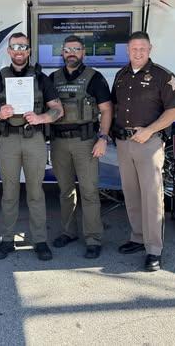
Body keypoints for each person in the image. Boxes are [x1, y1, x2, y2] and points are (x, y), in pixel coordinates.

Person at [0, 32, 63, 261]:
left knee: (36, 193)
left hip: (34, 139)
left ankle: (40, 240)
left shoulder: (41, 79)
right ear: (9, 51)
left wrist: (42, 118)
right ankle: (7, 240)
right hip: (7, 140)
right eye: (14, 47)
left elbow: (58, 110)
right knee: (9, 193)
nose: (19, 51)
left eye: (23, 47)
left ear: (29, 51)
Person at [111, 31, 175, 272]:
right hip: (124, 143)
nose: (138, 52)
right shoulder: (120, 76)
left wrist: (149, 130)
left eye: (143, 48)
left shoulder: (163, 75)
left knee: (152, 196)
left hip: (149, 143)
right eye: (134, 49)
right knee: (131, 193)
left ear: (150, 49)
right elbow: (114, 107)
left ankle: (154, 249)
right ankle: (138, 237)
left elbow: (174, 111)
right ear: (127, 50)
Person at [49, 35, 113, 259]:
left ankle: (93, 238)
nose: (72, 53)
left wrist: (103, 137)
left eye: (76, 49)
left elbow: (106, 109)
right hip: (58, 142)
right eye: (68, 49)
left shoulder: (94, 78)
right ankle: (69, 232)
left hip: (86, 143)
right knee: (65, 191)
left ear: (83, 52)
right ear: (62, 52)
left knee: (89, 191)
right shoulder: (53, 78)